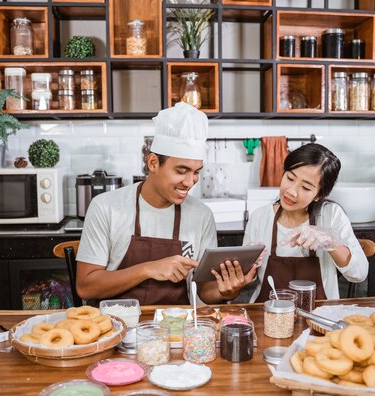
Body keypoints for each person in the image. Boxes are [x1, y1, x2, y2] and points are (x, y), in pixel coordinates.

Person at [75, 103, 249, 305]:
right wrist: (148, 269)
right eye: (181, 171)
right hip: (116, 327)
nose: (190, 182)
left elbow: (205, 291)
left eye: (196, 172)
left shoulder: (201, 216)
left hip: (175, 329)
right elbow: (85, 287)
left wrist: (228, 291)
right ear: (153, 163)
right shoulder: (106, 207)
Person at [226, 143, 368, 302]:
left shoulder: (331, 215)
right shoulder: (260, 217)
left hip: (320, 318)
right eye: (290, 178)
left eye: (306, 188)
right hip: (269, 315)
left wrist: (332, 243)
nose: (291, 191)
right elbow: (246, 282)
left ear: (318, 195)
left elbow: (359, 274)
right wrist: (248, 264)